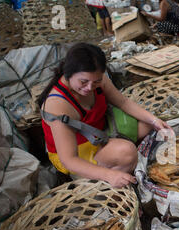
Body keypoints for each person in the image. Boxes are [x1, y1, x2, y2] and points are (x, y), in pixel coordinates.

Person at [37, 43, 171, 188]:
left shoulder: (97, 79)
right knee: (127, 152)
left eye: (96, 82)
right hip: (78, 150)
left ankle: (121, 166)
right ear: (68, 73)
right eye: (83, 82)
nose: (89, 87)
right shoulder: (58, 103)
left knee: (148, 124)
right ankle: (103, 185)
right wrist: (109, 175)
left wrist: (155, 120)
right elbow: (68, 159)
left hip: (101, 133)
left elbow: (124, 102)